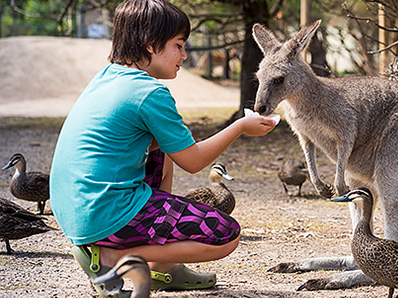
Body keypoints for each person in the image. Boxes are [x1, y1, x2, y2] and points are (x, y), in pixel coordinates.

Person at [49, 0, 276, 296]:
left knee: (161, 144)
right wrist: (239, 128)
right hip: (105, 212)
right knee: (225, 235)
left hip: (76, 210)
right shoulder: (149, 92)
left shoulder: (107, 76)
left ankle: (161, 267)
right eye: (179, 45)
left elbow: (172, 149)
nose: (184, 54)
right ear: (150, 43)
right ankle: (111, 260)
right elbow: (193, 161)